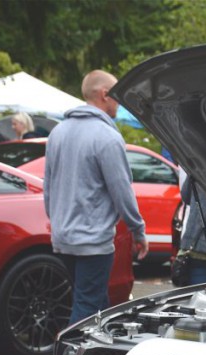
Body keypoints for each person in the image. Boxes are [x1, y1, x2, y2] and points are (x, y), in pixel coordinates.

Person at [44, 69, 148, 324]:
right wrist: (138, 230)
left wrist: (57, 221)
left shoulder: (57, 133)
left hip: (63, 237)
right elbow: (121, 190)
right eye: (116, 96)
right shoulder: (107, 137)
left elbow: (49, 188)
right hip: (93, 239)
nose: (119, 102)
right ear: (104, 95)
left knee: (97, 301)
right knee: (87, 309)